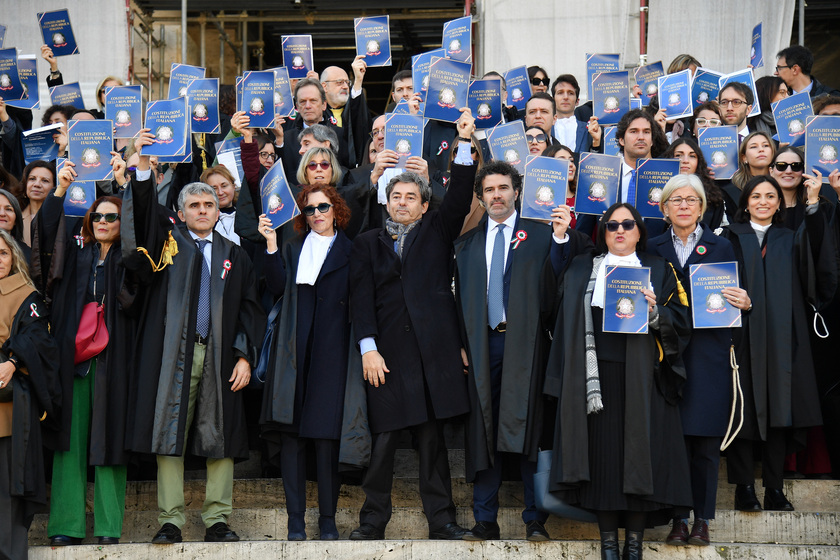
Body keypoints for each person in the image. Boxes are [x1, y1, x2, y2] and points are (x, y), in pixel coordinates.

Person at [122, 130, 265, 544]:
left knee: (220, 435)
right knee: (170, 433)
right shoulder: (166, 246)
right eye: (194, 205)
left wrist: (243, 355)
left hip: (220, 356)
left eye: (209, 204)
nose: (203, 210)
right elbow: (144, 217)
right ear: (181, 212)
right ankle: (171, 520)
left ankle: (217, 520)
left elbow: (249, 310)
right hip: (173, 356)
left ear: (219, 209)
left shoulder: (234, 255)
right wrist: (143, 166)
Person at [347, 109, 477, 542]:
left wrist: (461, 148)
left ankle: (442, 521)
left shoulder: (438, 230)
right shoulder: (367, 243)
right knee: (383, 444)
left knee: (432, 443)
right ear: (386, 201)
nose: (402, 202)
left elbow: (459, 197)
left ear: (424, 205)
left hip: (432, 355)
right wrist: (368, 348)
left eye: (410, 197)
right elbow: (361, 299)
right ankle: (371, 523)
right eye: (396, 196)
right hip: (385, 356)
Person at [545, 202, 692, 560]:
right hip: (595, 379)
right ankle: (609, 544)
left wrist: (657, 314)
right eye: (612, 225)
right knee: (604, 461)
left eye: (628, 224)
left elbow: (683, 319)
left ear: (641, 231)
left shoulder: (658, 268)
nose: (620, 231)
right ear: (602, 232)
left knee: (640, 458)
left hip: (645, 378)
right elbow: (556, 313)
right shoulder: (581, 267)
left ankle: (635, 545)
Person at [455, 159, 589, 542]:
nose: (496, 195)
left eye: (503, 188)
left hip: (528, 344)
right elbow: (456, 303)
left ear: (517, 192)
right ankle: (485, 519)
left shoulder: (541, 235)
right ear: (481, 197)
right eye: (489, 190)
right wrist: (461, 347)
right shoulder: (466, 245)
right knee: (483, 430)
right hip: (482, 346)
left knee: (531, 430)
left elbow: (560, 284)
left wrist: (561, 239)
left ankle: (535, 519)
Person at [722, 175, 836, 512]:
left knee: (779, 411)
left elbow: (820, 258)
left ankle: (774, 488)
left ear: (778, 202)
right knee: (741, 408)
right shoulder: (729, 239)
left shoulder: (792, 238)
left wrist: (813, 203)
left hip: (784, 341)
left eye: (770, 196)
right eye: (755, 196)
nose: (762, 201)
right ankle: (744, 487)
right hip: (740, 338)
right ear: (745, 202)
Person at [42, 158, 137, 546]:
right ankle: (66, 525)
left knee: (110, 443)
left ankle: (108, 527)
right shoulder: (76, 256)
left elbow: (143, 233)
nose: (103, 222)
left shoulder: (130, 260)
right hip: (76, 363)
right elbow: (46, 239)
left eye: (112, 217)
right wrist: (60, 192)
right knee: (70, 444)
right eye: (97, 216)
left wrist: (125, 186)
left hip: (114, 363)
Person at [258, 184, 361, 541]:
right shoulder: (291, 248)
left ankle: (328, 520)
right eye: (309, 209)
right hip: (294, 355)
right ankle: (295, 521)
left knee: (326, 441)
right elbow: (276, 286)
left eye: (322, 207)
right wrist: (270, 244)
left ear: (336, 209)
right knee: (292, 438)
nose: (316, 214)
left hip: (334, 354)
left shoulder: (353, 251)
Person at [647, 174, 746, 547]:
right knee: (673, 441)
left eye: (691, 200)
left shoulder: (722, 247)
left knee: (705, 442)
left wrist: (746, 303)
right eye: (677, 200)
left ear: (702, 207)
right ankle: (677, 517)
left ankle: (702, 520)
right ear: (665, 207)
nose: (684, 206)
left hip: (707, 354)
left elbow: (742, 296)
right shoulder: (653, 247)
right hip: (667, 355)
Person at [0, 228, 59, 560]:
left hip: (7, 408)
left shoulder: (26, 295)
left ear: (14, 257)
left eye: (3, 253)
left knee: (8, 493)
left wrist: (12, 360)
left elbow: (39, 340)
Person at [662, 137, 728, 230]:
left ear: (698, 162)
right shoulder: (657, 190)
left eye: (692, 156)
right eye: (678, 155)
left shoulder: (712, 197)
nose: (685, 160)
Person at [321, 56, 371, 167]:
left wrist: (358, 80)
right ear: (325, 86)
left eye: (347, 82)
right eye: (339, 82)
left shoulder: (354, 111)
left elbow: (361, 122)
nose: (345, 86)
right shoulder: (317, 113)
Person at [722, 131, 775, 214]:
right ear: (744, 158)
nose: (761, 150)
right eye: (754, 147)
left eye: (766, 145)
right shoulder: (732, 190)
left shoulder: (782, 184)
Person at [11, 161, 56, 247]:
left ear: (54, 187)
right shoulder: (14, 217)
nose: (37, 184)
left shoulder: (62, 217)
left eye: (45, 181)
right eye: (32, 179)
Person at [775, 45, 840, 98]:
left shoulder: (831, 97)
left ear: (795, 69)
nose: (775, 73)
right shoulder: (776, 97)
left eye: (779, 68)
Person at [550, 74, 591, 153]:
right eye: (560, 93)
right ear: (553, 100)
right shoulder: (546, 129)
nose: (565, 97)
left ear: (577, 101)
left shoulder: (588, 130)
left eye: (570, 93)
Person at [200, 165, 240, 244]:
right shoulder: (203, 222)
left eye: (224, 186)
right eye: (214, 188)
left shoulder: (247, 215)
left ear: (233, 186)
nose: (220, 192)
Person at [542, 144, 579, 229]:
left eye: (571, 160)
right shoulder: (541, 201)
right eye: (562, 160)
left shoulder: (583, 198)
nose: (570, 164)